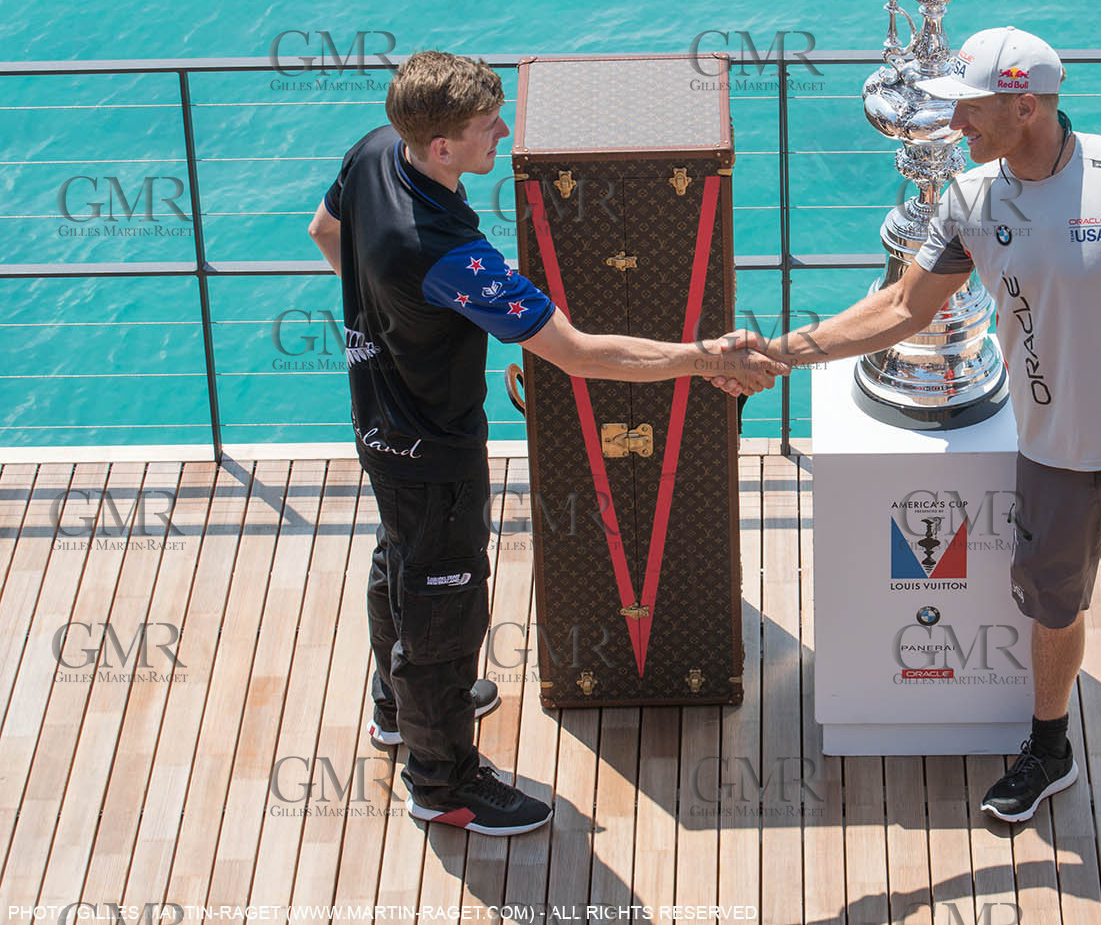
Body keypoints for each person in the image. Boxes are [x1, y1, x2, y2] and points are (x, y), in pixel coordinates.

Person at [718, 26, 1101, 845]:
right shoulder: (973, 202)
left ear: (1024, 102)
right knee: (1051, 615)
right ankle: (1050, 750)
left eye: (969, 111)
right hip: (1047, 457)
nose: (956, 127)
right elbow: (903, 309)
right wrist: (787, 352)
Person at [307, 50, 786, 837]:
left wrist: (398, 322)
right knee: (445, 611)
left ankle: (398, 712)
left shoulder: (372, 153)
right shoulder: (446, 255)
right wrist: (703, 357)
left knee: (399, 560)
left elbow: (325, 229)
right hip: (434, 449)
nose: (502, 130)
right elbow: (581, 353)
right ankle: (442, 780)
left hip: (377, 417)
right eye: (483, 125)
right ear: (440, 149)